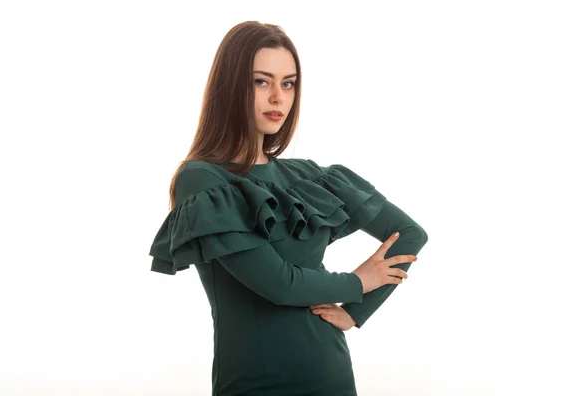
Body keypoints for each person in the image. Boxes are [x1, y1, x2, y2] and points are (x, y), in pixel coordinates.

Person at [148, 21, 428, 396]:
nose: (278, 97)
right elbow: (278, 284)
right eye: (261, 82)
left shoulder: (310, 177)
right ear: (230, 87)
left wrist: (355, 312)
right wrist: (358, 282)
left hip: (332, 376)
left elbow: (410, 234)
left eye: (288, 83)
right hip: (257, 384)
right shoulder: (202, 180)